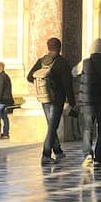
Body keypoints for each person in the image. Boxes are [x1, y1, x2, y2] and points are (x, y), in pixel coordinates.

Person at [26, 37, 74, 165]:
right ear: (60, 47)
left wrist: (42, 86)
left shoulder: (41, 61)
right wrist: (72, 102)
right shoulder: (62, 62)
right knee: (53, 127)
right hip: (57, 99)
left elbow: (29, 77)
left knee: (51, 126)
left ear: (48, 47)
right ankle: (46, 154)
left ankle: (57, 151)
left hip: (44, 98)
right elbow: (67, 84)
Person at [76, 39, 101, 167]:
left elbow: (74, 72)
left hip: (88, 102)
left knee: (87, 128)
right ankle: (98, 159)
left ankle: (88, 155)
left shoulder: (85, 63)